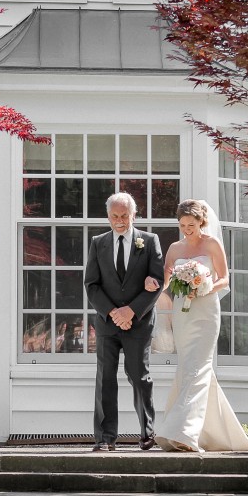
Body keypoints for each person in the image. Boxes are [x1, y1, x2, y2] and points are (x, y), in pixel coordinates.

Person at [144, 199, 248, 452]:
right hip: (183, 314)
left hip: (206, 312)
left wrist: (204, 286)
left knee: (200, 366)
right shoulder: (174, 247)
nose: (186, 229)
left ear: (201, 222)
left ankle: (184, 432)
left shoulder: (212, 244)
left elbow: (224, 279)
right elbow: (165, 280)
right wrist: (152, 285)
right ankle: (207, 432)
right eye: (182, 225)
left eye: (191, 224)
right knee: (188, 367)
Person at [84, 192, 164, 452]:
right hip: (107, 323)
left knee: (139, 376)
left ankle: (147, 433)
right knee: (105, 378)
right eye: (115, 216)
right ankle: (105, 439)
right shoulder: (98, 242)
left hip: (138, 323)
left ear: (134, 215)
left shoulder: (150, 241)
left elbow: (157, 283)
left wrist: (131, 311)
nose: (119, 221)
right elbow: (92, 285)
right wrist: (113, 312)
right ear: (108, 216)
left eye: (124, 216)